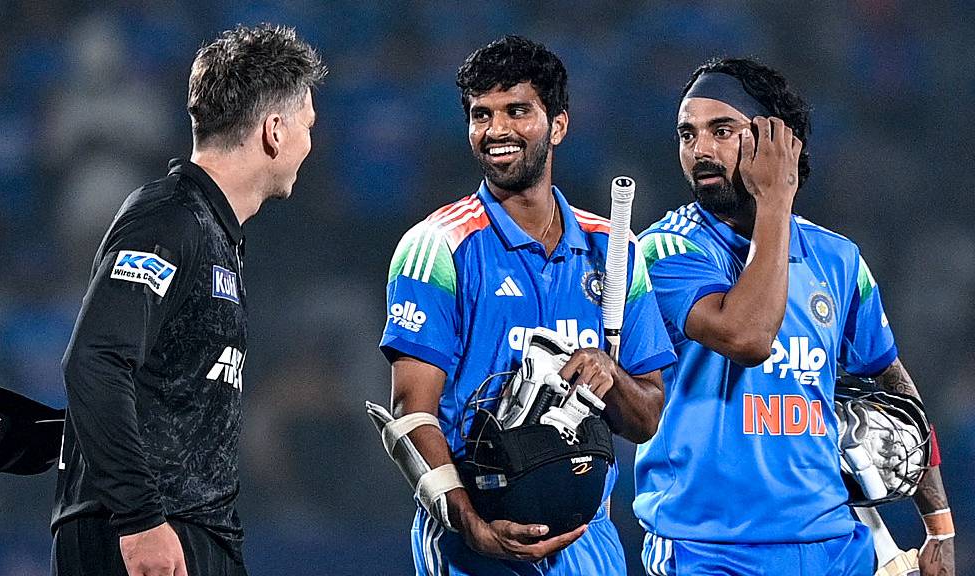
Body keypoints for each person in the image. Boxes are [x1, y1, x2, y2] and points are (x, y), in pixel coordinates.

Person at [634, 57, 954, 575]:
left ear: (775, 140)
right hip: (709, 551)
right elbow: (748, 336)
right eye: (687, 135)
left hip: (836, 546)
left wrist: (938, 523)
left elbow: (896, 388)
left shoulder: (839, 259)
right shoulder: (665, 250)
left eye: (722, 130)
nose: (700, 151)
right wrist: (776, 200)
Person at [377, 35, 675, 576]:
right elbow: (411, 413)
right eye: (481, 114)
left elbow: (647, 417)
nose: (496, 131)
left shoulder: (615, 250)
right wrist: (473, 527)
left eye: (517, 111)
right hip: (473, 540)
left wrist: (612, 376)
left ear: (557, 124)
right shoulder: (436, 248)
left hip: (590, 543)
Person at [50, 24, 326, 576]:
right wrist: (140, 520)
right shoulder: (172, 220)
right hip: (147, 537)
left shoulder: (211, 230)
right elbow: (96, 359)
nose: (310, 144)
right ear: (274, 130)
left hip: (187, 531)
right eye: (307, 125)